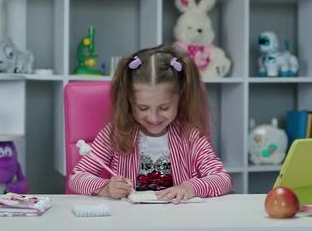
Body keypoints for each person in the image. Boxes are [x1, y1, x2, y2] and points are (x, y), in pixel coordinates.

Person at [68, 44, 232, 203]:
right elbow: (77, 178)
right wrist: (106, 187)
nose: (153, 118)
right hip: (129, 221)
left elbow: (222, 179)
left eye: (164, 107)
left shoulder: (191, 135)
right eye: (143, 108)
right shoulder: (114, 134)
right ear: (129, 101)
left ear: (180, 98)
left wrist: (191, 187)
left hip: (179, 221)